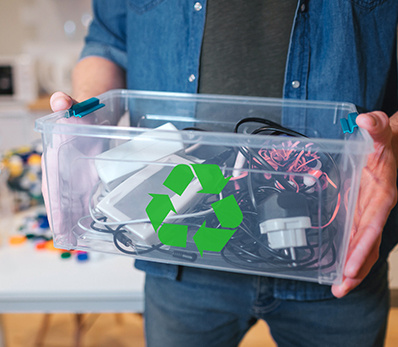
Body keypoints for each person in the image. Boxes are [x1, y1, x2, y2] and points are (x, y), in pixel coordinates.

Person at [48, 1, 398, 346]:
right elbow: (106, 42)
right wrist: (86, 122)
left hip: (336, 246)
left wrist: (391, 140)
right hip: (177, 253)